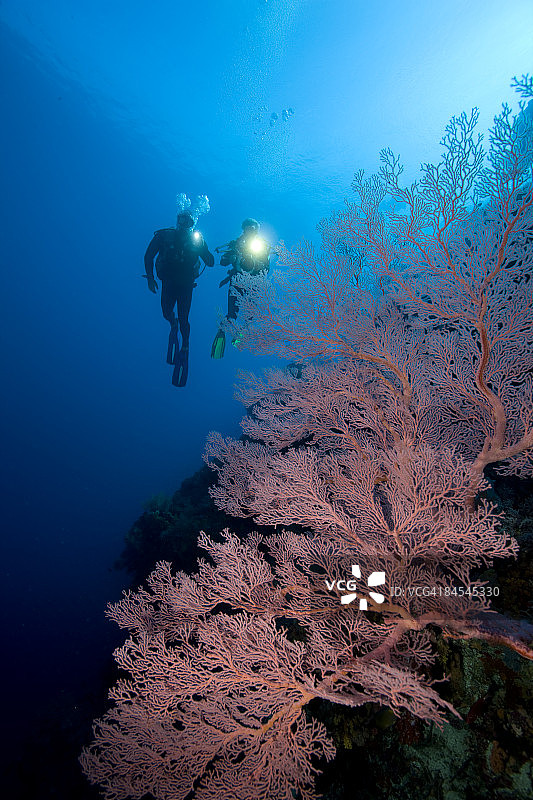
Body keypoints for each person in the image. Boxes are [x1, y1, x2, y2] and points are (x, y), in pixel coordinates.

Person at [144, 211, 214, 386]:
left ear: (192, 223)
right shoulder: (164, 236)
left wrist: (203, 245)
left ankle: (186, 344)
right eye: (181, 220)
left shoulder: (196, 240)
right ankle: (173, 324)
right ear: (177, 221)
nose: (184, 224)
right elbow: (148, 256)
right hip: (168, 282)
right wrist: (150, 278)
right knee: (166, 313)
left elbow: (211, 261)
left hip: (186, 285)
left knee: (184, 318)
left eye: (188, 221)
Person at [211, 218, 271, 358]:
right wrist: (232, 258)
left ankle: (241, 333)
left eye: (253, 229)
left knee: (251, 315)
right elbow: (223, 261)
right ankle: (222, 332)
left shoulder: (262, 246)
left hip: (254, 284)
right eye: (248, 228)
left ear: (256, 230)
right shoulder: (236, 244)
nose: (250, 231)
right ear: (243, 229)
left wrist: (256, 263)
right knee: (232, 314)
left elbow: (267, 269)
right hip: (237, 282)